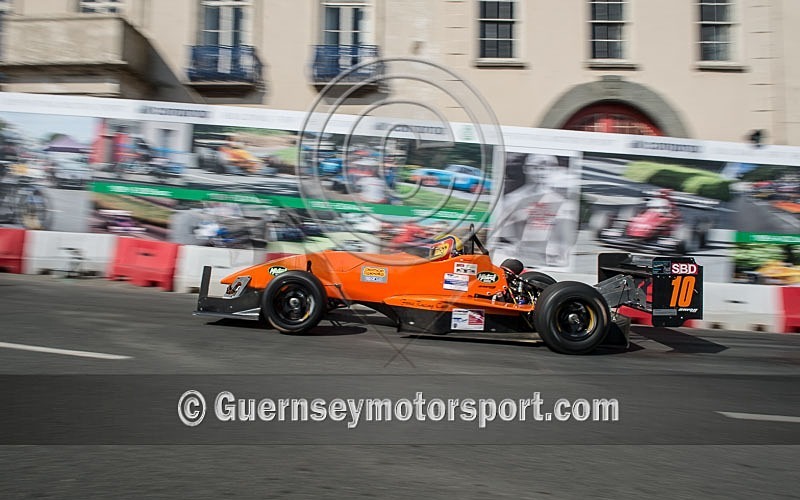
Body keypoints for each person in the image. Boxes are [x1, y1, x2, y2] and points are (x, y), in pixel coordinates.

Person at [488, 153, 579, 268]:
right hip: (518, 263)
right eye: (536, 168)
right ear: (526, 169)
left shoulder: (563, 203)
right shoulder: (512, 199)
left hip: (549, 263)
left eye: (548, 168)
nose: (542, 172)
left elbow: (565, 239)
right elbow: (500, 237)